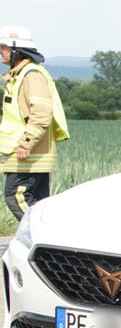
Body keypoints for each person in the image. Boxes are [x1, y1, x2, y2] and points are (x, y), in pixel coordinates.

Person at [0, 25, 69, 221]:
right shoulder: (20, 75)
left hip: (27, 152)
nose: (0, 51)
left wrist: (26, 142)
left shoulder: (31, 76)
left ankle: (39, 235)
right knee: (39, 203)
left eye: (3, 47)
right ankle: (49, 243)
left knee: (16, 196)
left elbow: (41, 112)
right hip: (27, 152)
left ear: (16, 50)